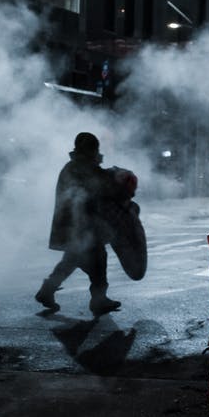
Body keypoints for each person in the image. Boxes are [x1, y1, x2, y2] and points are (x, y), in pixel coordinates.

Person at [35, 132, 124, 316]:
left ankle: (47, 291)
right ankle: (98, 300)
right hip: (80, 225)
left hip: (79, 226)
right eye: (94, 148)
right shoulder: (78, 168)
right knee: (97, 259)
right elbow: (94, 187)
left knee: (72, 260)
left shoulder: (77, 166)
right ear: (89, 149)